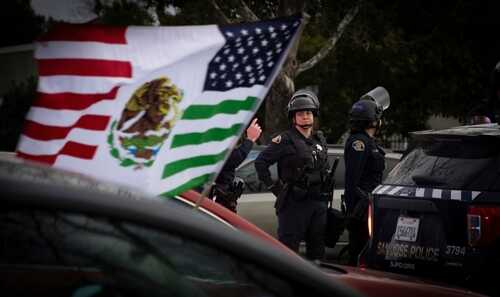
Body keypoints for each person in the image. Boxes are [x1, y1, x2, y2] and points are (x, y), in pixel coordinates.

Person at [255, 89, 329, 261]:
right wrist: (275, 188)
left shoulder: (319, 140)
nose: (305, 116)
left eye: (309, 112)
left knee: (317, 254)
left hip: (317, 203)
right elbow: (261, 163)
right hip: (294, 205)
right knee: (288, 254)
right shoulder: (285, 140)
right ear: (293, 117)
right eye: (301, 113)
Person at [344, 87, 389, 266]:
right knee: (358, 252)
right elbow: (352, 179)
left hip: (370, 204)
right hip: (361, 209)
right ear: (373, 121)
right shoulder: (359, 142)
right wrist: (355, 208)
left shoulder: (369, 142)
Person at [211, 118, 262, 212]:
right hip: (217, 200)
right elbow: (234, 158)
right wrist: (250, 139)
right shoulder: (215, 148)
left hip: (221, 198)